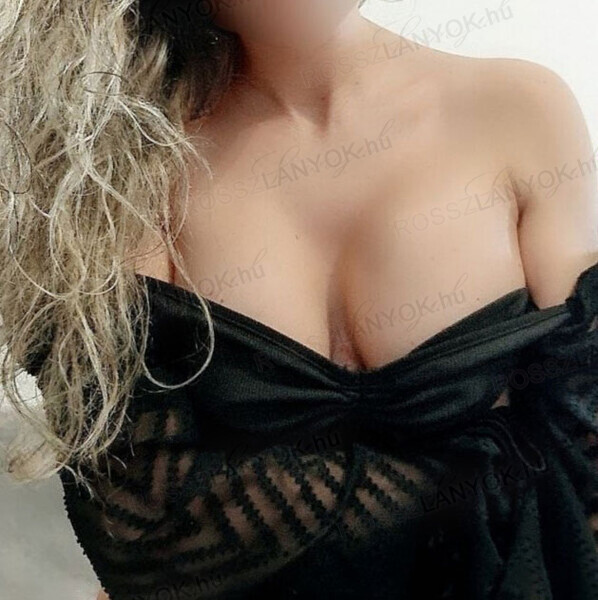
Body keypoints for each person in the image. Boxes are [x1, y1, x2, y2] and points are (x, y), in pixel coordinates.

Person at [1, 1, 597, 598]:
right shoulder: (124, 165)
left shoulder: (520, 108)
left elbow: (586, 438)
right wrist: (487, 479)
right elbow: (147, 522)